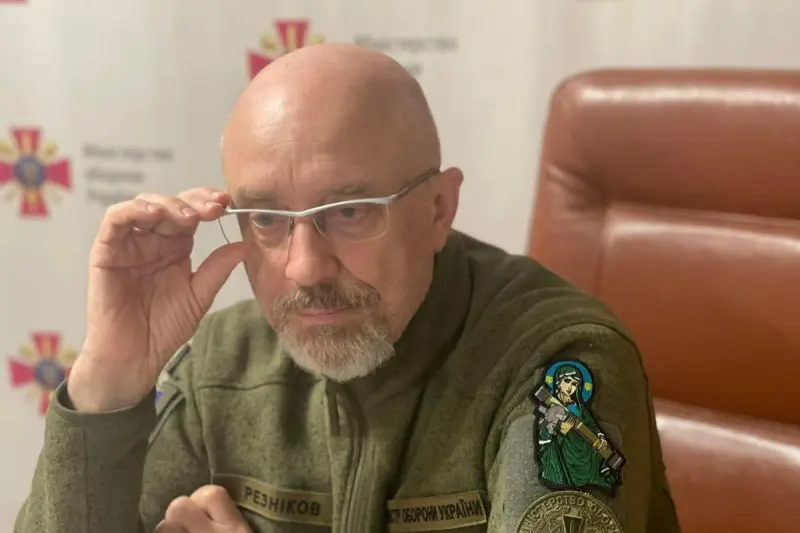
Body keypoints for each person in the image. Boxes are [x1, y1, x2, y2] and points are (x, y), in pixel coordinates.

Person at [14, 43, 680, 533]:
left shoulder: (555, 365)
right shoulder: (224, 363)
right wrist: (108, 383)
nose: (304, 267)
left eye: (350, 211)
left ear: (439, 208)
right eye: (266, 218)